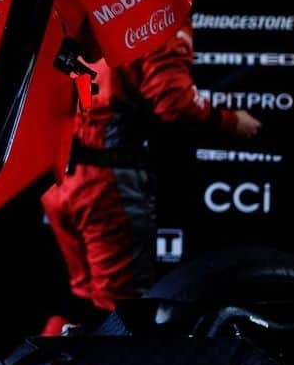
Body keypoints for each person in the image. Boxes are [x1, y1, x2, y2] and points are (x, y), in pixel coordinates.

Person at [42, 18, 261, 329]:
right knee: (121, 308)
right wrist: (230, 121)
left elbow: (74, 86)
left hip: (62, 179)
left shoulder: (87, 11)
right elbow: (174, 102)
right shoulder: (158, 18)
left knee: (81, 300)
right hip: (107, 185)